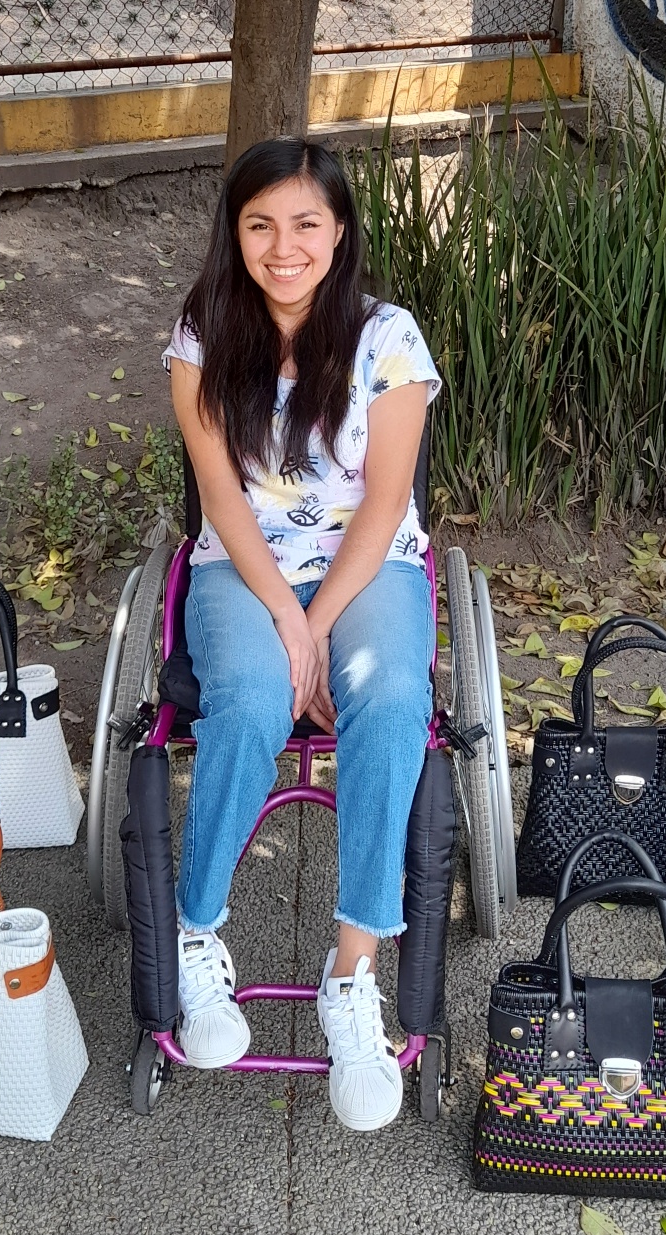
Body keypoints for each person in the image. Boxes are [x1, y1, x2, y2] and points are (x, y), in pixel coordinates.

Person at [161, 137, 442, 1131]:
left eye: (306, 224)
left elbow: (384, 503)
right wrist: (287, 621)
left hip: (370, 569)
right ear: (234, 235)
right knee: (244, 698)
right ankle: (196, 937)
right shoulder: (203, 336)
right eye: (260, 225)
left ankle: (351, 976)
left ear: (340, 233)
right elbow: (220, 500)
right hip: (246, 569)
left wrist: (321, 630)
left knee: (395, 700)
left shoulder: (388, 341)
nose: (284, 247)